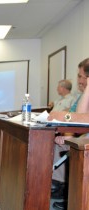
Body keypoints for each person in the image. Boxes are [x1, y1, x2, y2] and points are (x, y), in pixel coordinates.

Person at [49, 58, 89, 209]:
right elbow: (79, 119)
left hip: (85, 140)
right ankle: (64, 189)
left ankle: (72, 195)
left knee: (70, 146)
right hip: (82, 136)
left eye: (81, 76)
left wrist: (65, 120)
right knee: (58, 144)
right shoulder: (83, 94)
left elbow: (80, 119)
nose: (79, 80)